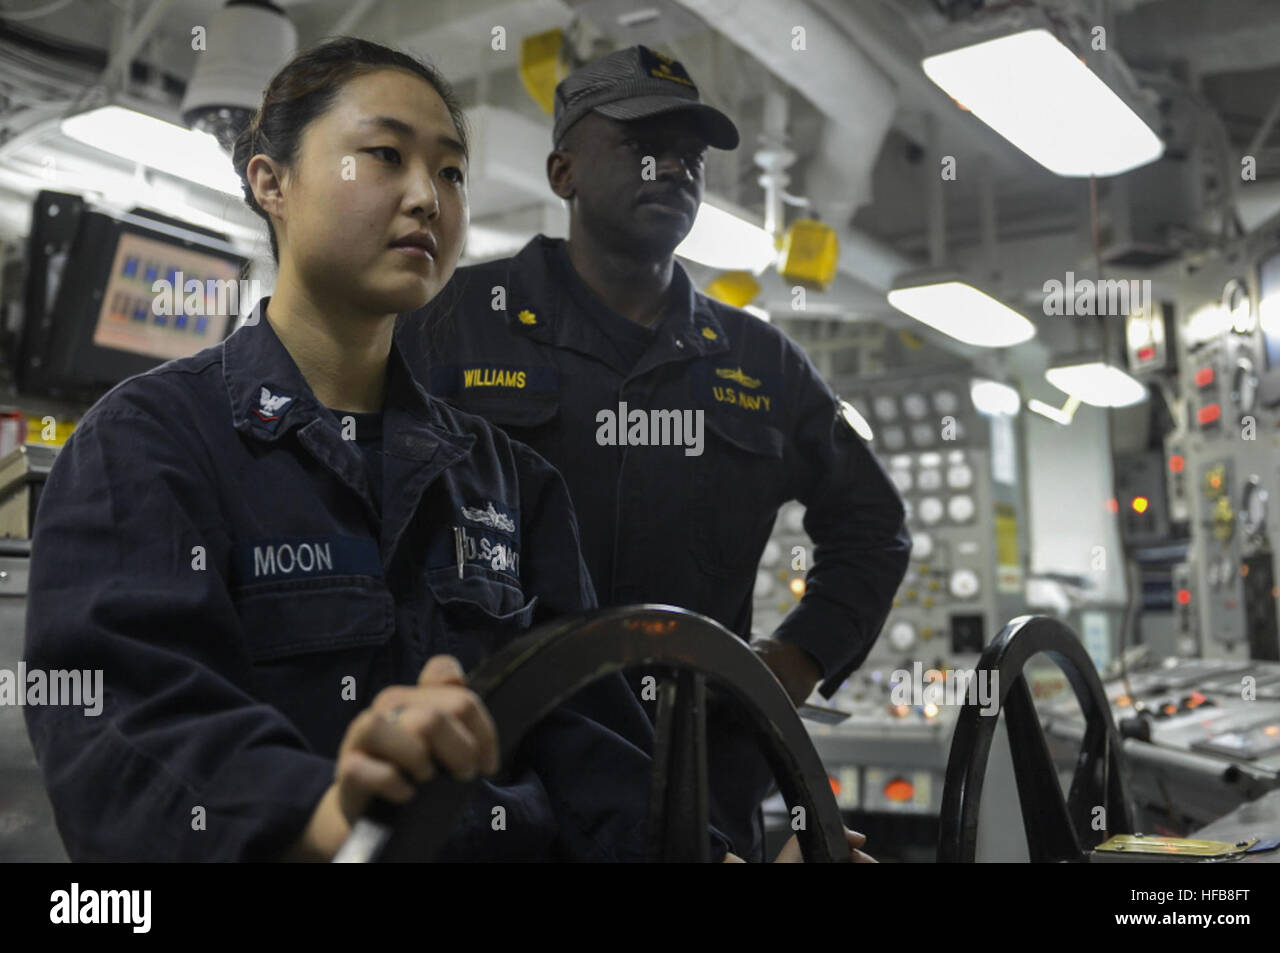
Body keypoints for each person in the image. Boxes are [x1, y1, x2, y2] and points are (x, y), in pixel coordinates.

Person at [22, 37, 774, 863]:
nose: (427, 196)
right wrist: (334, 815)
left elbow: (591, 754)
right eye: (384, 155)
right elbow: (124, 731)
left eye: (451, 172)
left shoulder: (511, 482)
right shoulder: (149, 443)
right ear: (271, 183)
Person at [396, 45, 912, 860]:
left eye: (691, 156)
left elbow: (873, 524)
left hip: (696, 786)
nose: (673, 168)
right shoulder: (454, 322)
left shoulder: (761, 363)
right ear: (562, 171)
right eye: (642, 145)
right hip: (498, 778)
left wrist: (801, 654)